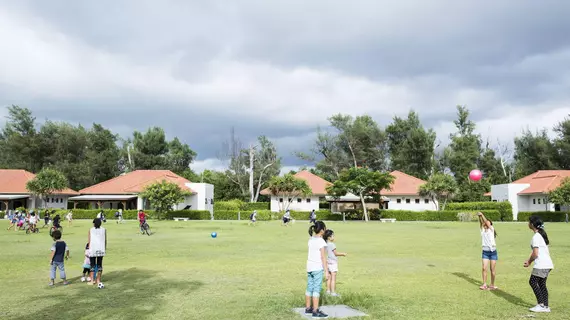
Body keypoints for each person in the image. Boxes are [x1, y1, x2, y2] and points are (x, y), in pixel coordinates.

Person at [524, 216, 554, 313]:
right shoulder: (540, 235)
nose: (528, 223)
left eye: (529, 222)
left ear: (532, 224)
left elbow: (536, 253)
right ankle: (546, 306)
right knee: (541, 284)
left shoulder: (536, 236)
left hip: (541, 265)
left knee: (532, 282)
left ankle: (541, 305)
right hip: (547, 264)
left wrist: (529, 261)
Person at [304, 221, 329, 319]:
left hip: (309, 267)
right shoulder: (321, 241)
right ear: (322, 230)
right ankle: (315, 310)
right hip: (317, 267)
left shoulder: (311, 239)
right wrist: (326, 271)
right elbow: (323, 257)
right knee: (316, 288)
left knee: (309, 287)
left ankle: (308, 308)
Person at [478, 212, 498, 290]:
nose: (486, 224)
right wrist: (480, 217)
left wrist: (482, 215)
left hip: (493, 252)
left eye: (488, 223)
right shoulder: (482, 230)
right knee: (484, 268)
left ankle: (492, 284)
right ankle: (484, 284)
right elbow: (481, 222)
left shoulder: (491, 230)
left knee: (492, 269)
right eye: (485, 224)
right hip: (485, 252)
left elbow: (485, 221)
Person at [324, 229, 347, 296]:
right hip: (333, 262)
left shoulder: (326, 244)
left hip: (328, 262)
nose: (334, 237)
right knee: (333, 278)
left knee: (329, 277)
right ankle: (333, 292)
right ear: (329, 237)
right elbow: (335, 253)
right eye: (333, 236)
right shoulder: (332, 245)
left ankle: (328, 291)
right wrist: (343, 254)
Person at [88, 218, 107, 286]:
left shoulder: (91, 230)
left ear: (94, 223)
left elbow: (89, 241)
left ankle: (92, 280)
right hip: (101, 249)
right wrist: (104, 248)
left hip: (93, 249)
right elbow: (105, 240)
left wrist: (88, 249)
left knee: (92, 265)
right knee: (99, 265)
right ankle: (98, 280)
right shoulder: (104, 229)